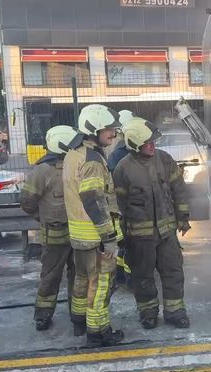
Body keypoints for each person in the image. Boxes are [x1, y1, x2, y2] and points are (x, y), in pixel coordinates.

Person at [113, 117, 191, 330]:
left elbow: (178, 188)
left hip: (167, 233)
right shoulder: (123, 169)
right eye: (147, 142)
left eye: (154, 141)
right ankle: (148, 313)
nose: (152, 145)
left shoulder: (164, 159)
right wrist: (122, 235)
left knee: (173, 271)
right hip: (139, 237)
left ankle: (176, 312)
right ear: (135, 144)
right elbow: (118, 205)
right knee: (142, 276)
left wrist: (183, 217)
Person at [63, 104, 124, 347]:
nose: (113, 135)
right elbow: (94, 200)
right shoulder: (93, 159)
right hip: (96, 235)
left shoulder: (73, 154)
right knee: (100, 285)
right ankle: (99, 332)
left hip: (79, 234)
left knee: (81, 279)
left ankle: (78, 321)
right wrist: (108, 236)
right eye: (109, 130)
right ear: (94, 129)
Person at [21, 125, 78, 331]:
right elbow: (27, 200)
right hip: (54, 236)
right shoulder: (43, 170)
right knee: (50, 276)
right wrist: (43, 216)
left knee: (78, 275)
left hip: (79, 234)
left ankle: (78, 314)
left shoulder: (78, 166)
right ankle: (43, 315)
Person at [107, 109, 136, 288]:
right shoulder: (122, 154)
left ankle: (120, 276)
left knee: (122, 243)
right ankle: (128, 278)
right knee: (127, 244)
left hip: (119, 205)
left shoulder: (115, 151)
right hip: (125, 205)